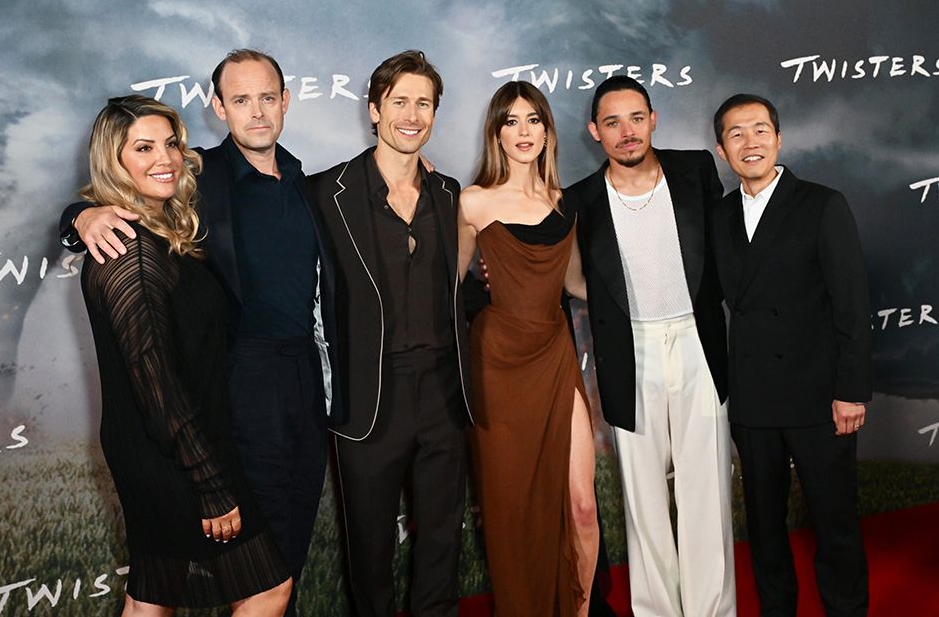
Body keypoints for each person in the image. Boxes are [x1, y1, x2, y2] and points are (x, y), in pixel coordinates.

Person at [60, 50, 340, 617]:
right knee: (265, 574)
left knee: (158, 586)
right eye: (241, 99)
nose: (257, 112)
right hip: (232, 394)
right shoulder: (199, 177)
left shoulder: (312, 187)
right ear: (219, 108)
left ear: (286, 102)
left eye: (268, 98)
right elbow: (109, 218)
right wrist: (79, 218)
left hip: (301, 385)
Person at [309, 50, 474, 617]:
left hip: (444, 395)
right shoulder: (324, 194)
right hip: (368, 396)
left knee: (441, 539)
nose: (412, 114)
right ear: (375, 109)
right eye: (399, 102)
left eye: (423, 103)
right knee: (370, 549)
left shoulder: (452, 195)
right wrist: (81, 219)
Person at [566, 76, 735, 616]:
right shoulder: (581, 200)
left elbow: (727, 248)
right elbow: (574, 277)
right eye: (612, 122)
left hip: (696, 341)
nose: (627, 132)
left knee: (706, 494)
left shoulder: (695, 171)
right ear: (595, 132)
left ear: (653, 118)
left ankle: (712, 610)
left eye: (635, 118)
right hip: (628, 352)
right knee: (643, 502)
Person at [712, 93, 871, 616]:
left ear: (779, 139)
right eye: (736, 134)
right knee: (764, 529)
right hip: (754, 399)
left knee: (836, 525)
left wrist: (850, 392)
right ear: (721, 149)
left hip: (819, 397)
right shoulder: (718, 216)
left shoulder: (822, 204)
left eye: (760, 130)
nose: (749, 142)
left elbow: (851, 304)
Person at [457, 81, 598, 616]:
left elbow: (579, 284)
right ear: (496, 131)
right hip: (498, 362)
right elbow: (451, 284)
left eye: (533, 119)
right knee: (512, 509)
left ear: (547, 129)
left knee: (582, 506)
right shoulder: (474, 201)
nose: (523, 131)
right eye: (510, 121)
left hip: (555, 355)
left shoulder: (565, 202)